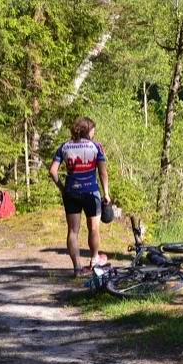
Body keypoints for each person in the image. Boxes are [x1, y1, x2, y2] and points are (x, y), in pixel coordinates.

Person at [48, 116, 111, 276]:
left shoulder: (64, 146)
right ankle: (95, 260)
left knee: (73, 231)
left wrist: (62, 188)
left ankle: (77, 268)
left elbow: (53, 171)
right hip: (91, 192)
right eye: (93, 129)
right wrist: (106, 193)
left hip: (71, 192)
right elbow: (103, 172)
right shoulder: (96, 147)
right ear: (87, 130)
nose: (94, 132)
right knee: (94, 228)